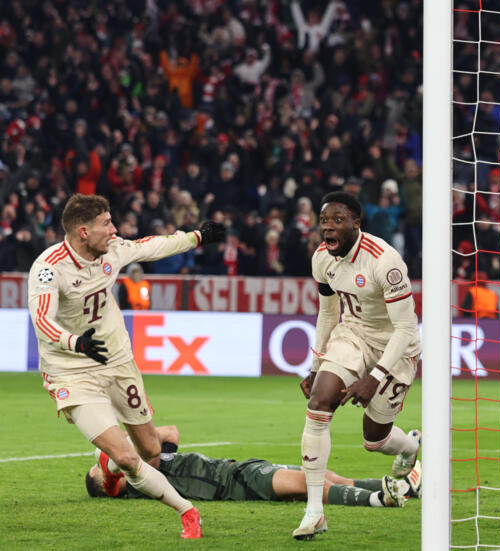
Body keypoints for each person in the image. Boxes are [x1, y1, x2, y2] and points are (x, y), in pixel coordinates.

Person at [27, 194, 225, 539]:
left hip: (117, 361)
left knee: (149, 451)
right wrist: (77, 343)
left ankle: (108, 464)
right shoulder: (48, 268)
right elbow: (41, 319)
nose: (114, 229)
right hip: (70, 372)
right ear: (84, 231)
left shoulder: (113, 249)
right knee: (129, 458)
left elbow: (150, 246)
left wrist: (197, 237)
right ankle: (188, 513)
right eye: (107, 223)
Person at [293, 191, 421, 540]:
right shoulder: (322, 258)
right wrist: (317, 363)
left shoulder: (385, 261)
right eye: (324, 221)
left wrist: (374, 377)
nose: (328, 228)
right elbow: (328, 311)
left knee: (374, 440)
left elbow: (406, 328)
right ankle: (314, 512)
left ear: (356, 224)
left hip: (396, 345)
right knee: (318, 402)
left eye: (337, 220)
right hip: (353, 335)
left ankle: (411, 448)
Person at [86, 426, 421, 507]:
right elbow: (122, 465)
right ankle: (380, 500)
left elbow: (169, 433)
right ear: (107, 483)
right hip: (232, 483)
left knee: (321, 474)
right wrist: (123, 452)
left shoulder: (146, 462)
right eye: (98, 470)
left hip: (233, 470)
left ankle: (397, 487)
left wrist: (136, 445)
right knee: (308, 484)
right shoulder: (138, 479)